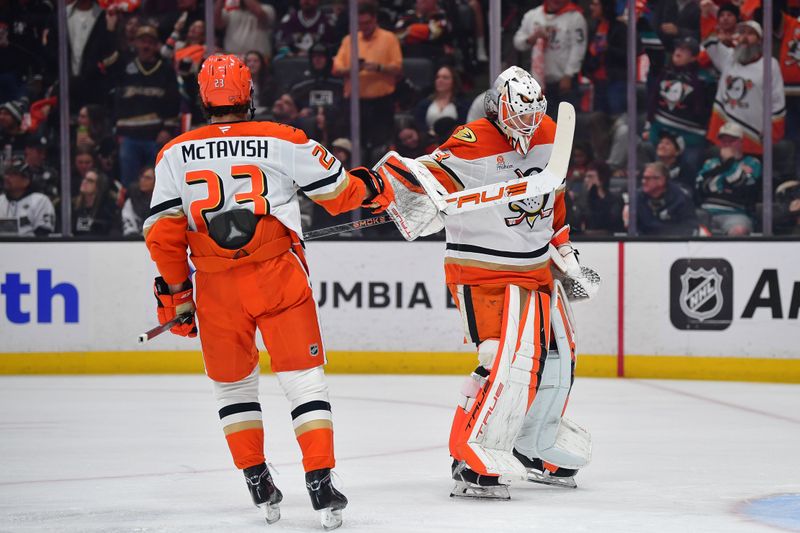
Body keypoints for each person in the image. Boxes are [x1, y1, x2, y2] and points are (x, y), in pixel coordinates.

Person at [143, 54, 387, 529]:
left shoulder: (174, 152)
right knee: (304, 381)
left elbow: (162, 234)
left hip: (215, 286)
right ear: (248, 93)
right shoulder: (282, 137)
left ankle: (257, 478)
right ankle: (319, 482)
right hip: (277, 275)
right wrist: (375, 184)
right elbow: (339, 193)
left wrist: (177, 296)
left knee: (233, 386)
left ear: (203, 97)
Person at [378, 66, 595, 498]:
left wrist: (563, 249)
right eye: (519, 116)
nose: (528, 126)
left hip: (537, 270)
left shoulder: (550, 132)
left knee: (559, 358)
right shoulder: (471, 141)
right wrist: (405, 194)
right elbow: (423, 177)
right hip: (483, 272)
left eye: (534, 115)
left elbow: (555, 197)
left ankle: (533, 443)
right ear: (498, 108)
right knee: (503, 358)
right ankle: (468, 452)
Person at [108, 24, 180, 188]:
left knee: (157, 184)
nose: (146, 46)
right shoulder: (124, 67)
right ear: (135, 44)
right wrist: (116, 127)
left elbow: (173, 101)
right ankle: (129, 213)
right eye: (142, 41)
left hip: (154, 137)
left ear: (156, 46)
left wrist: (167, 129)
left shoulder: (165, 70)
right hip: (128, 136)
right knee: (129, 183)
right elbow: (114, 99)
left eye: (150, 42)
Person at [705, 20, 785, 155]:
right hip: (724, 127)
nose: (745, 38)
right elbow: (708, 42)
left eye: (750, 34)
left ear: (760, 41)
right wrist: (717, 32)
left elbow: (777, 100)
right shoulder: (728, 57)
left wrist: (773, 130)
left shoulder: (770, 64)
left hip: (753, 133)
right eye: (742, 33)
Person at [332, 0, 402, 154]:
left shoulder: (389, 38)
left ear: (375, 19)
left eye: (367, 22)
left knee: (381, 146)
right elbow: (336, 69)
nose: (364, 27)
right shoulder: (349, 40)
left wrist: (378, 67)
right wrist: (352, 69)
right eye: (361, 23)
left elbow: (397, 69)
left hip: (381, 103)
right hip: (355, 103)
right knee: (356, 145)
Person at [512, 0, 587, 119]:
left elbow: (578, 48)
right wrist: (533, 38)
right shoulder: (533, 15)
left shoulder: (575, 17)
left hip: (563, 81)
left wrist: (569, 74)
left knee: (565, 123)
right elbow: (518, 42)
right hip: (538, 84)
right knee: (541, 123)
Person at [694, 121, 761, 235]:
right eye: (723, 141)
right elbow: (701, 187)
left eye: (731, 141)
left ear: (741, 142)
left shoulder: (752, 163)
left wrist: (730, 162)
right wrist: (732, 176)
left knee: (739, 231)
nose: (726, 144)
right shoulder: (710, 163)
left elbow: (742, 188)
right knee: (688, 226)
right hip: (705, 211)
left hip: (736, 213)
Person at [631, 161, 698, 235]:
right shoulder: (638, 197)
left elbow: (689, 228)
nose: (643, 182)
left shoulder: (680, 199)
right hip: (643, 242)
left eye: (647, 178)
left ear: (661, 180)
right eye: (643, 178)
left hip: (672, 241)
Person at [0, 159, 55, 237]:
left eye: (13, 175)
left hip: (30, 247)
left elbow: (43, 233)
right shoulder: (1, 200)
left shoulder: (40, 200)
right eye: (7, 174)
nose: (6, 178)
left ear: (26, 180)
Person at [413, 65, 469, 136]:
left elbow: (465, 125)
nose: (440, 80)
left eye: (445, 78)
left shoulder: (462, 104)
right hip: (429, 141)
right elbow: (419, 124)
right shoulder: (424, 104)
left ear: (453, 81)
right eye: (437, 77)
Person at [72, 168, 117, 235]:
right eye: (84, 178)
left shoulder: (106, 210)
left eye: (90, 181)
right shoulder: (73, 205)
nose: (84, 182)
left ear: (99, 187)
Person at [121, 165, 154, 236]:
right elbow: (128, 227)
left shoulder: (160, 204)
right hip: (133, 241)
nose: (143, 180)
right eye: (142, 177)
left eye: (148, 178)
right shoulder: (131, 201)